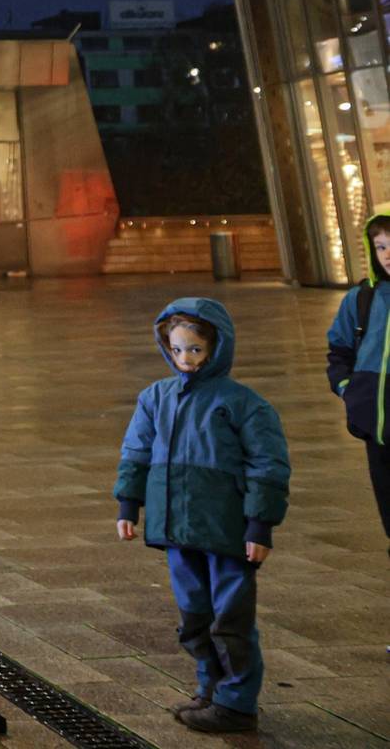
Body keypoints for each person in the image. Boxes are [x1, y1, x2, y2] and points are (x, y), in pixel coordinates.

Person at [116, 298, 290, 733]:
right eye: (177, 350)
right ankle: (210, 690)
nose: (185, 359)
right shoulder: (156, 397)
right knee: (194, 616)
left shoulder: (243, 404)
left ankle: (236, 703)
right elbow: (135, 452)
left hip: (226, 530)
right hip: (177, 528)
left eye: (194, 349)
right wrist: (128, 505)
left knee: (230, 619)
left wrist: (259, 525)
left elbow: (268, 466)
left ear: (216, 347)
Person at [326, 208, 390, 566]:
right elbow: (339, 350)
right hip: (375, 426)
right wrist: (349, 389)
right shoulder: (361, 298)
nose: (387, 255)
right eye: (380, 246)